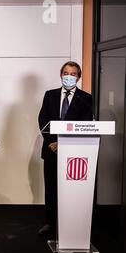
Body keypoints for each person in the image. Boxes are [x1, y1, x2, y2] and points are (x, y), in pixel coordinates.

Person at [38, 61, 93, 236]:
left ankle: (71, 223)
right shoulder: (50, 95)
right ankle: (51, 223)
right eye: (66, 73)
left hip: (74, 152)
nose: (69, 77)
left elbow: (84, 124)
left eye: (73, 74)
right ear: (61, 75)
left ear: (78, 77)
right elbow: (43, 120)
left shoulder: (85, 98)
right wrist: (52, 142)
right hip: (51, 149)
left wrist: (63, 143)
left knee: (71, 190)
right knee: (51, 188)